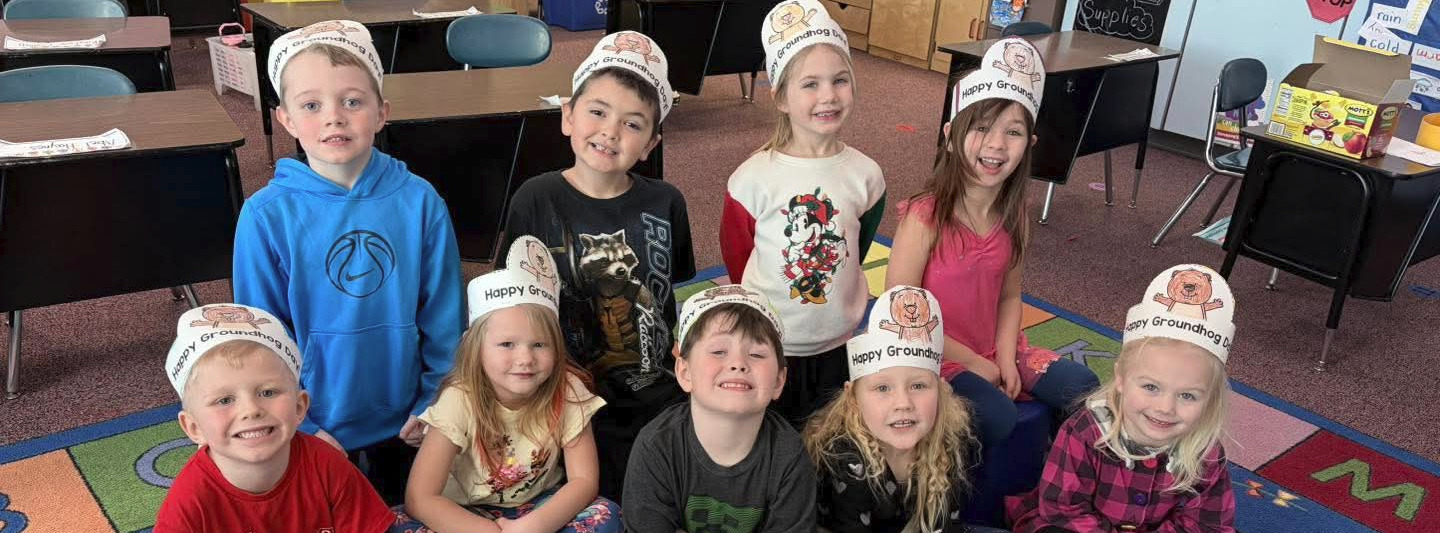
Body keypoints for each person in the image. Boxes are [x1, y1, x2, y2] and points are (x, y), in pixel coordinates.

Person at [231, 20, 466, 504]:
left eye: (352, 102)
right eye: (312, 105)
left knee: (411, 512)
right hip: (311, 423)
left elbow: (444, 314)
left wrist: (435, 399)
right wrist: (301, 423)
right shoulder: (265, 215)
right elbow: (260, 337)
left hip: (407, 417)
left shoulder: (420, 201)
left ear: (382, 112)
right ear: (287, 121)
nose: (334, 118)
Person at [884, 37, 1098, 485]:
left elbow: (1010, 295)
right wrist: (979, 366)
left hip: (995, 346)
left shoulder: (1015, 214)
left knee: (1083, 387)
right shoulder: (925, 217)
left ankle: (1061, 482)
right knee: (997, 415)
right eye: (981, 128)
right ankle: (941, 493)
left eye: (1013, 132)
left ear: (1029, 142)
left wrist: (1003, 357)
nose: (996, 145)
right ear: (950, 135)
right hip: (932, 354)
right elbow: (902, 314)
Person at [498, 31, 695, 502]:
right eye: (598, 111)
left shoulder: (666, 202)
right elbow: (516, 303)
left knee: (659, 502)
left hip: (656, 396)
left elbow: (673, 297)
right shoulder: (535, 198)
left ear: (651, 142)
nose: (610, 131)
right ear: (568, 115)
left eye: (633, 124)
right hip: (562, 400)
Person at [720, 0, 886, 427]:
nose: (828, 95)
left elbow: (858, 244)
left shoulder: (866, 176)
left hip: (840, 342)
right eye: (810, 84)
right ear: (780, 97)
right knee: (772, 437)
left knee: (833, 435)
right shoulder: (753, 178)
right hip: (772, 343)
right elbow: (739, 256)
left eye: (840, 80)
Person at [399, 236, 619, 533]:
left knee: (605, 516)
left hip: (539, 505)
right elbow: (420, 497)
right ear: (474, 349)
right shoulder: (458, 400)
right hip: (463, 509)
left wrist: (534, 526)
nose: (525, 358)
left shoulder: (567, 391)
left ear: (557, 349)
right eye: (506, 344)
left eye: (539, 344)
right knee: (395, 523)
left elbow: (583, 481)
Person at [1007, 264, 1238, 532]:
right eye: (1151, 387)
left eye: (1188, 395)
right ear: (1121, 378)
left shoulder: (1206, 449)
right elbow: (1062, 510)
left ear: (1210, 398)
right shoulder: (1084, 432)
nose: (1165, 408)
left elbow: (1207, 524)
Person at [155, 304, 396, 532]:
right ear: (193, 427)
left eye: (267, 392)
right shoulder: (190, 501)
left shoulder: (328, 466)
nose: (251, 410)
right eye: (225, 400)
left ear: (299, 407)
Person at [807, 285, 1009, 533]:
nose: (903, 403)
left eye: (918, 385)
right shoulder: (845, 459)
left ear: (941, 390)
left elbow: (945, 524)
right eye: (883, 388)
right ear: (853, 398)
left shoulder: (947, 441)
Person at [622, 285, 816, 532]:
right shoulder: (656, 446)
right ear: (684, 372)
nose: (738, 363)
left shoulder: (789, 457)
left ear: (779, 381)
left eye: (756, 354)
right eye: (718, 351)